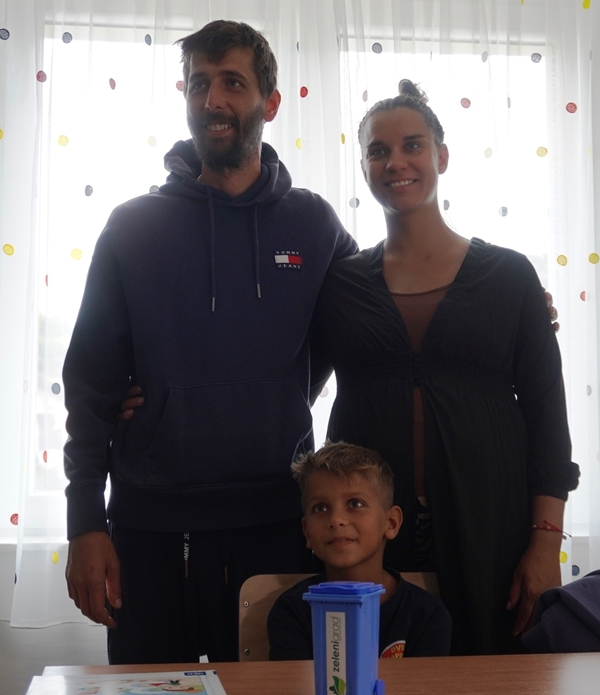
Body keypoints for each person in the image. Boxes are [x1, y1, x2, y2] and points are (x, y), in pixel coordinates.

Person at [62, 20, 357, 665]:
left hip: (277, 524)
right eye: (199, 84)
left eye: (232, 83)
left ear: (269, 103)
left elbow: (371, 316)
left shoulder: (313, 223)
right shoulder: (132, 228)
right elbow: (90, 383)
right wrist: (85, 520)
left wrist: (508, 307)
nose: (212, 100)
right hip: (149, 527)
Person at [312, 80, 580, 655]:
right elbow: (286, 379)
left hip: (492, 528)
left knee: (489, 676)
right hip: (368, 536)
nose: (395, 162)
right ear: (364, 169)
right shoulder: (339, 285)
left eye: (412, 145)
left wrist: (545, 542)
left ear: (442, 156)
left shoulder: (510, 277)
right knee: (371, 673)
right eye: (378, 151)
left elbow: (547, 418)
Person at [267, 441, 452, 660]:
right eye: (320, 508)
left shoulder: (426, 615)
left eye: (355, 504)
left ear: (391, 523)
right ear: (307, 532)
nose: (336, 520)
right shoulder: (291, 612)